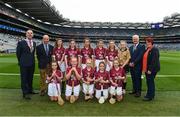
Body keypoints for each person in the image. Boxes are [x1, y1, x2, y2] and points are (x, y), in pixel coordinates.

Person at [16, 29, 37, 100]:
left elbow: (33, 53)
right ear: (26, 34)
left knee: (30, 78)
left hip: (32, 63)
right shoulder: (21, 42)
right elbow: (18, 54)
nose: (30, 34)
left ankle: (30, 90)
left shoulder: (34, 43)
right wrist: (21, 61)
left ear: (33, 34)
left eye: (31, 33)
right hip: (24, 64)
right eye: (28, 33)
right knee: (24, 78)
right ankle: (25, 93)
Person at [142, 37, 160, 101]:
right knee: (149, 82)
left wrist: (150, 69)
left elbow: (154, 61)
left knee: (150, 82)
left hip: (151, 70)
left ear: (151, 42)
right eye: (146, 42)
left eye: (148, 42)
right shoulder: (148, 49)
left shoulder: (154, 49)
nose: (146, 43)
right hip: (147, 69)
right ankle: (149, 94)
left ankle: (150, 96)